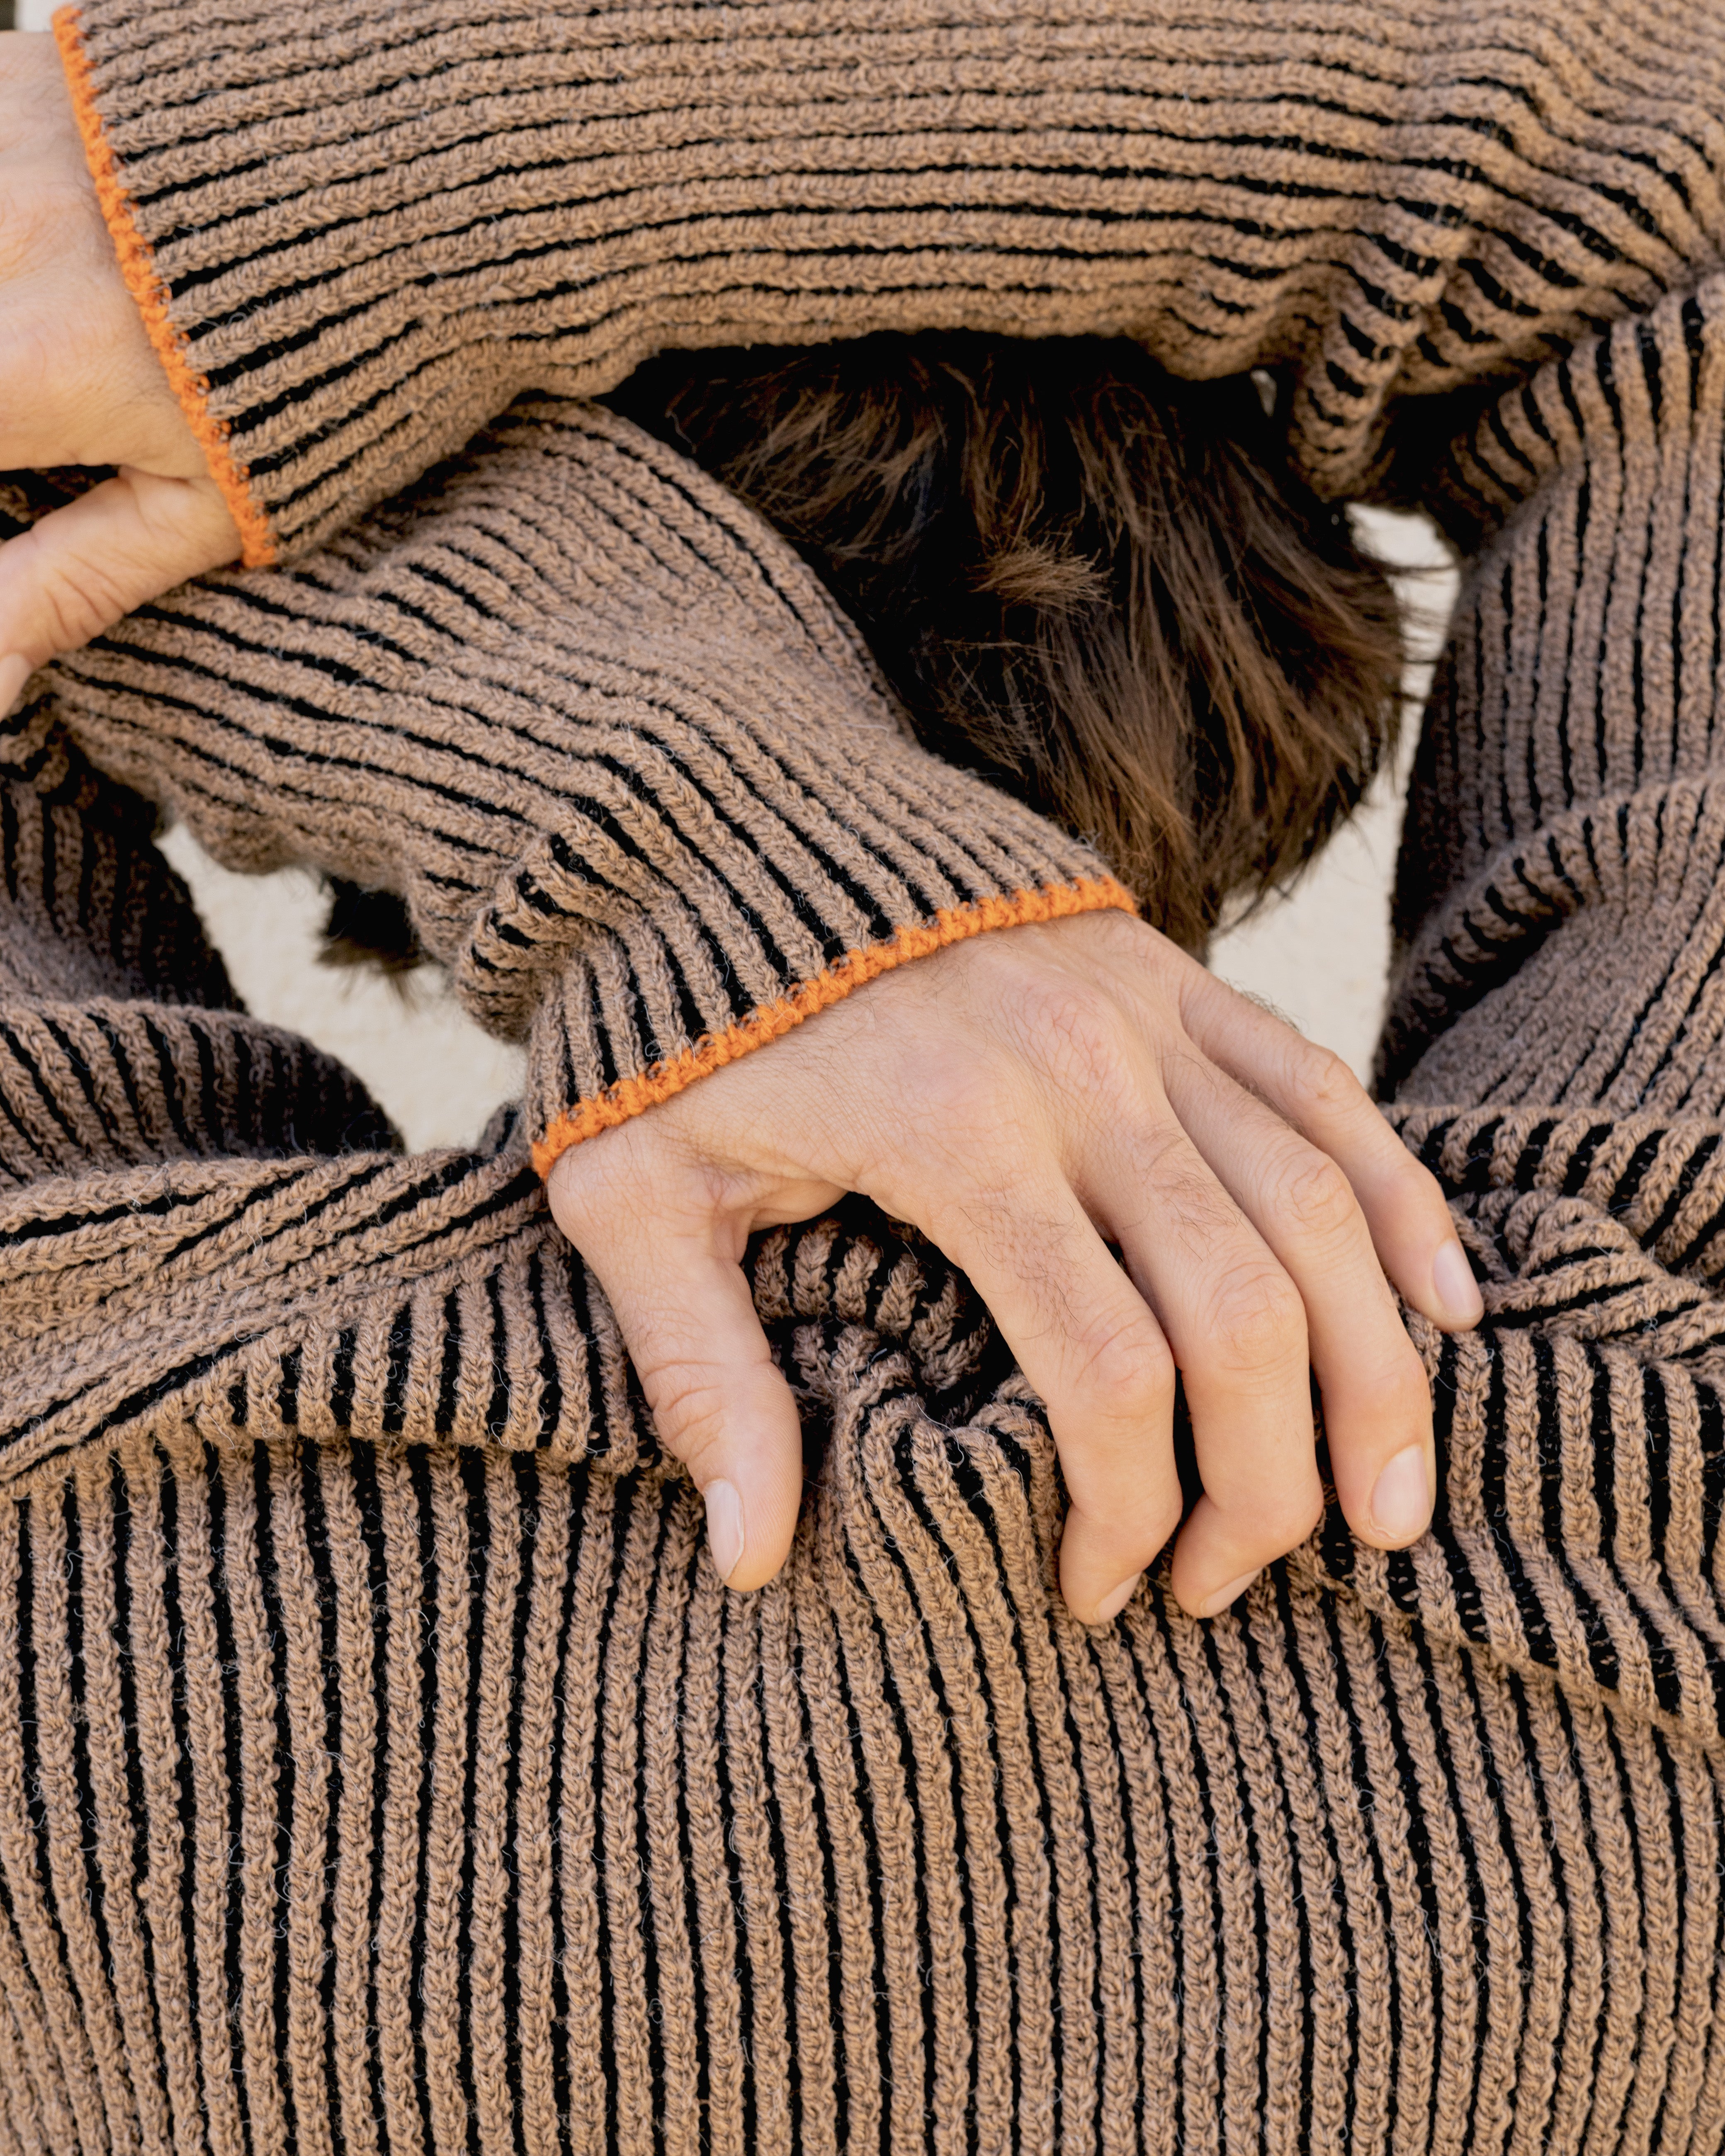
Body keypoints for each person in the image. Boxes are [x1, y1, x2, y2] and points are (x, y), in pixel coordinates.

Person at [0, 5, 1720, 2151]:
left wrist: (682, 809)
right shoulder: (1649, 1453)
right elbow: (1668, 170)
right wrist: (288, 198)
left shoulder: (70, 1497)